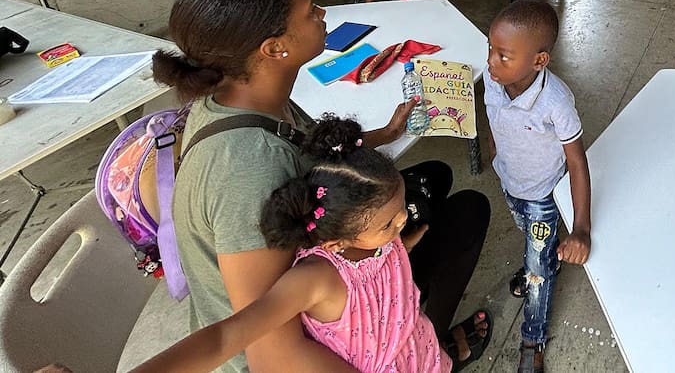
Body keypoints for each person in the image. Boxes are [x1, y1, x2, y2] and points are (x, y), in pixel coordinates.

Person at [152, 0, 491, 373]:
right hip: (292, 348)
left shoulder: (249, 95)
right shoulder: (245, 169)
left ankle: (411, 332)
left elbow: (310, 148)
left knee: (433, 177)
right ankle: (409, 348)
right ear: (274, 48)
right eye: (310, 12)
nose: (323, 11)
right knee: (468, 212)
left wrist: (384, 134)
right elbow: (271, 351)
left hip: (311, 262)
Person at [131, 116, 486, 373]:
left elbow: (380, 277)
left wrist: (401, 246)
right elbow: (226, 337)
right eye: (388, 223)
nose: (402, 221)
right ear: (334, 242)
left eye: (399, 212)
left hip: (417, 351)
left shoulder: (375, 241)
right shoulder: (316, 278)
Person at [484, 0, 592, 373]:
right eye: (490, 49)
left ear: (539, 60)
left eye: (503, 56)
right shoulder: (494, 83)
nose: (491, 62)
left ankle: (532, 338)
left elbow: (577, 162)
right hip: (510, 182)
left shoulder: (556, 102)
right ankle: (542, 258)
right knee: (534, 245)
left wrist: (580, 229)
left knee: (537, 272)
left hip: (543, 197)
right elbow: (494, 121)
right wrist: (497, 154)